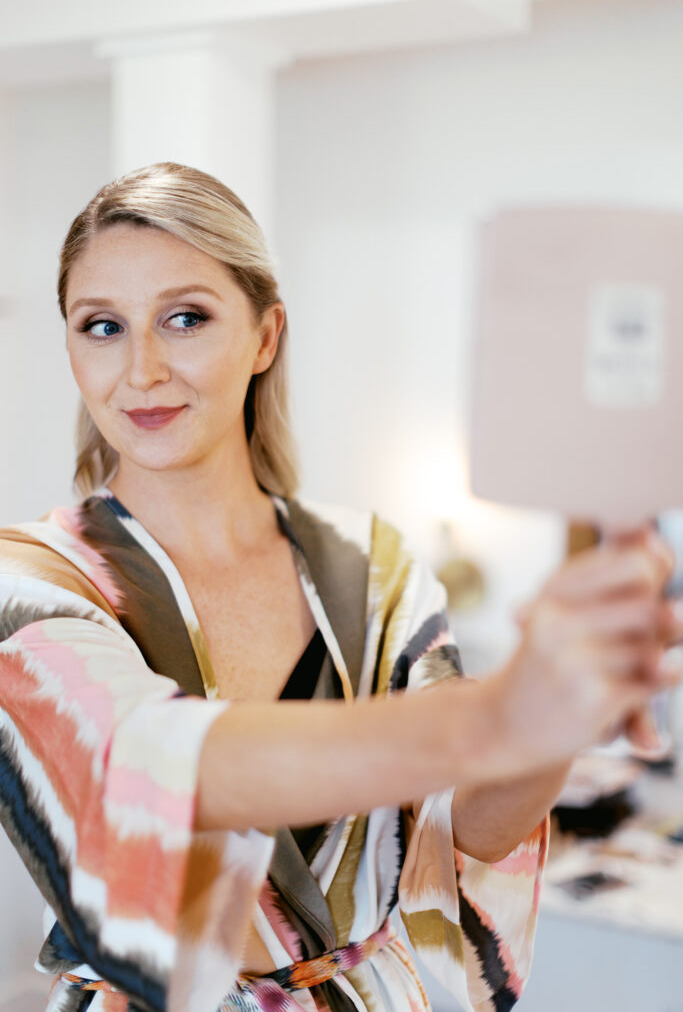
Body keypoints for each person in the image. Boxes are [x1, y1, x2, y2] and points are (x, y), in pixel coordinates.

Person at [0, 162, 678, 1012]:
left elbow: (460, 832)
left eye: (185, 318)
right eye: (101, 326)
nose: (140, 369)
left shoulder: (372, 566)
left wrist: (551, 728)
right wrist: (497, 713)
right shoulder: (31, 583)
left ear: (264, 336)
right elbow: (151, 771)